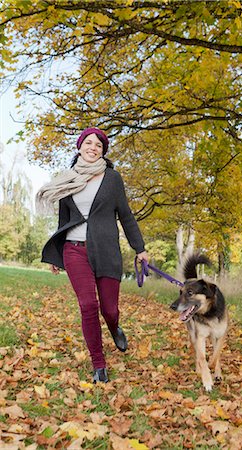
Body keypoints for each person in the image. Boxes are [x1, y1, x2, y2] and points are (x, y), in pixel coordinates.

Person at [36, 127, 148, 384]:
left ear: (102, 151)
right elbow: (63, 219)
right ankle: (98, 364)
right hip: (74, 250)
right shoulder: (66, 179)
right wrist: (57, 255)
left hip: (107, 250)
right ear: (79, 147)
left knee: (109, 310)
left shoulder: (112, 179)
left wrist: (140, 249)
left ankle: (113, 326)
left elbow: (126, 215)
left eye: (98, 145)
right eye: (88, 143)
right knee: (88, 306)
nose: (92, 148)